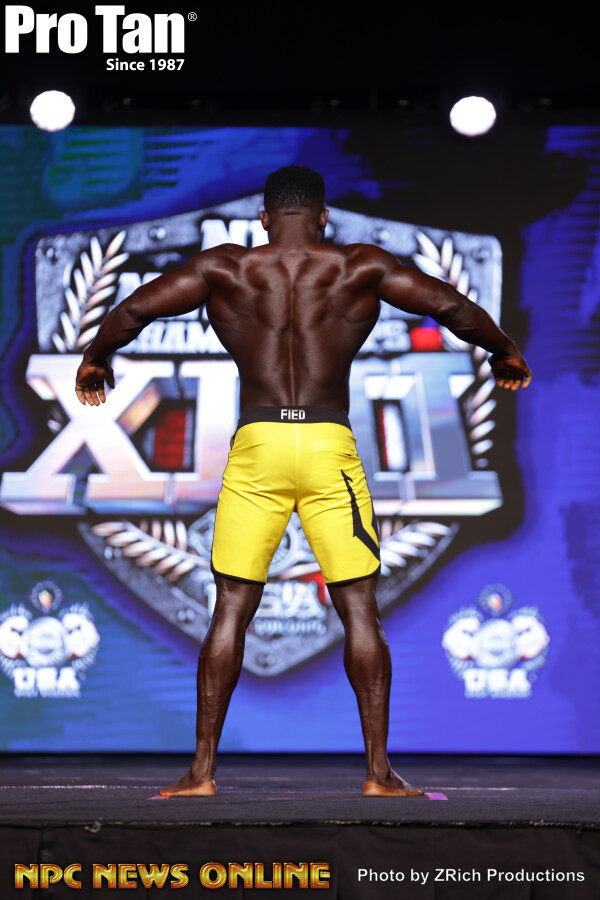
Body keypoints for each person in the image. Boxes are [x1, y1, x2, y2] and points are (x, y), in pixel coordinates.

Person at [75, 164, 532, 797]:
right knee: (358, 605)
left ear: (264, 218)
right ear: (323, 217)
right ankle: (378, 774)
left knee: (232, 605)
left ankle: (201, 774)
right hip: (325, 445)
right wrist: (504, 349)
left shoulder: (224, 269)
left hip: (258, 445)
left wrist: (96, 359)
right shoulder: (359, 266)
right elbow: (452, 306)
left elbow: (133, 309)